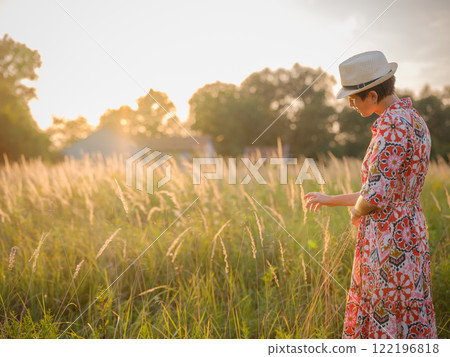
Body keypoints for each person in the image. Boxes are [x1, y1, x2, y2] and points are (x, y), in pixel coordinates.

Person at [304, 51, 437, 339]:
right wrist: (330, 200)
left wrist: (356, 211)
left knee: (383, 309)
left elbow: (374, 197)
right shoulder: (414, 120)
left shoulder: (391, 126)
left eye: (354, 97)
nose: (350, 104)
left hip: (389, 241)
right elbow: (385, 189)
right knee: (407, 310)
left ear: (373, 95)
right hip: (409, 230)